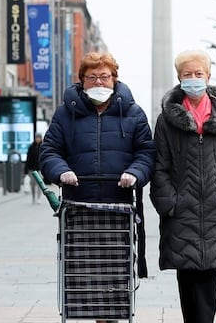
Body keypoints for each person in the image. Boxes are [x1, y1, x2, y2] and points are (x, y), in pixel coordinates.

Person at [39, 52, 155, 323]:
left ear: (114, 79)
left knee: (116, 272)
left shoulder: (134, 114)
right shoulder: (66, 114)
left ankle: (111, 318)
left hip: (119, 208)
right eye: (92, 77)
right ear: (81, 81)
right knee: (82, 274)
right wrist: (62, 171)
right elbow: (49, 151)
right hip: (79, 209)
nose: (99, 82)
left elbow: (147, 153)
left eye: (104, 76)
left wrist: (134, 173)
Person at [150, 49, 216, 323]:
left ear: (208, 76)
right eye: (187, 74)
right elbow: (159, 166)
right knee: (187, 278)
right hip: (182, 213)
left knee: (208, 280)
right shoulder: (168, 121)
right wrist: (170, 203)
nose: (193, 78)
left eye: (198, 73)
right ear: (179, 77)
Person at [25, 133, 43, 203]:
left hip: (40, 169)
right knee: (33, 184)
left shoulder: (43, 146)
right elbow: (28, 158)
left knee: (40, 184)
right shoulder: (31, 147)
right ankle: (33, 196)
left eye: (39, 138)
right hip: (32, 169)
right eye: (37, 138)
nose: (38, 139)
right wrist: (26, 170)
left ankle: (38, 198)